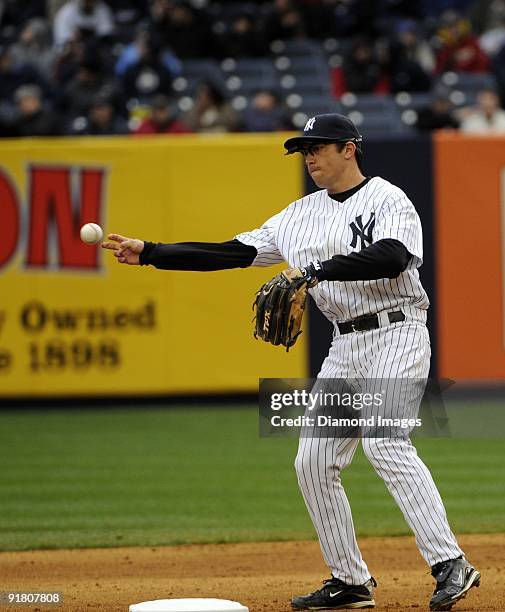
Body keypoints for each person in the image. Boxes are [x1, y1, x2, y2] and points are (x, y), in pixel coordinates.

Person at [102, 113, 481, 611]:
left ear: (349, 148)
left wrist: (316, 271)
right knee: (313, 461)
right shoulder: (298, 215)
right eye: (304, 149)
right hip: (345, 345)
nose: (309, 156)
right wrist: (152, 251)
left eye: (318, 147)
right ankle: (349, 582)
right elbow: (230, 253)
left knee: (386, 442)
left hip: (398, 330)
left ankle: (450, 563)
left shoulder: (388, 198)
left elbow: (393, 255)